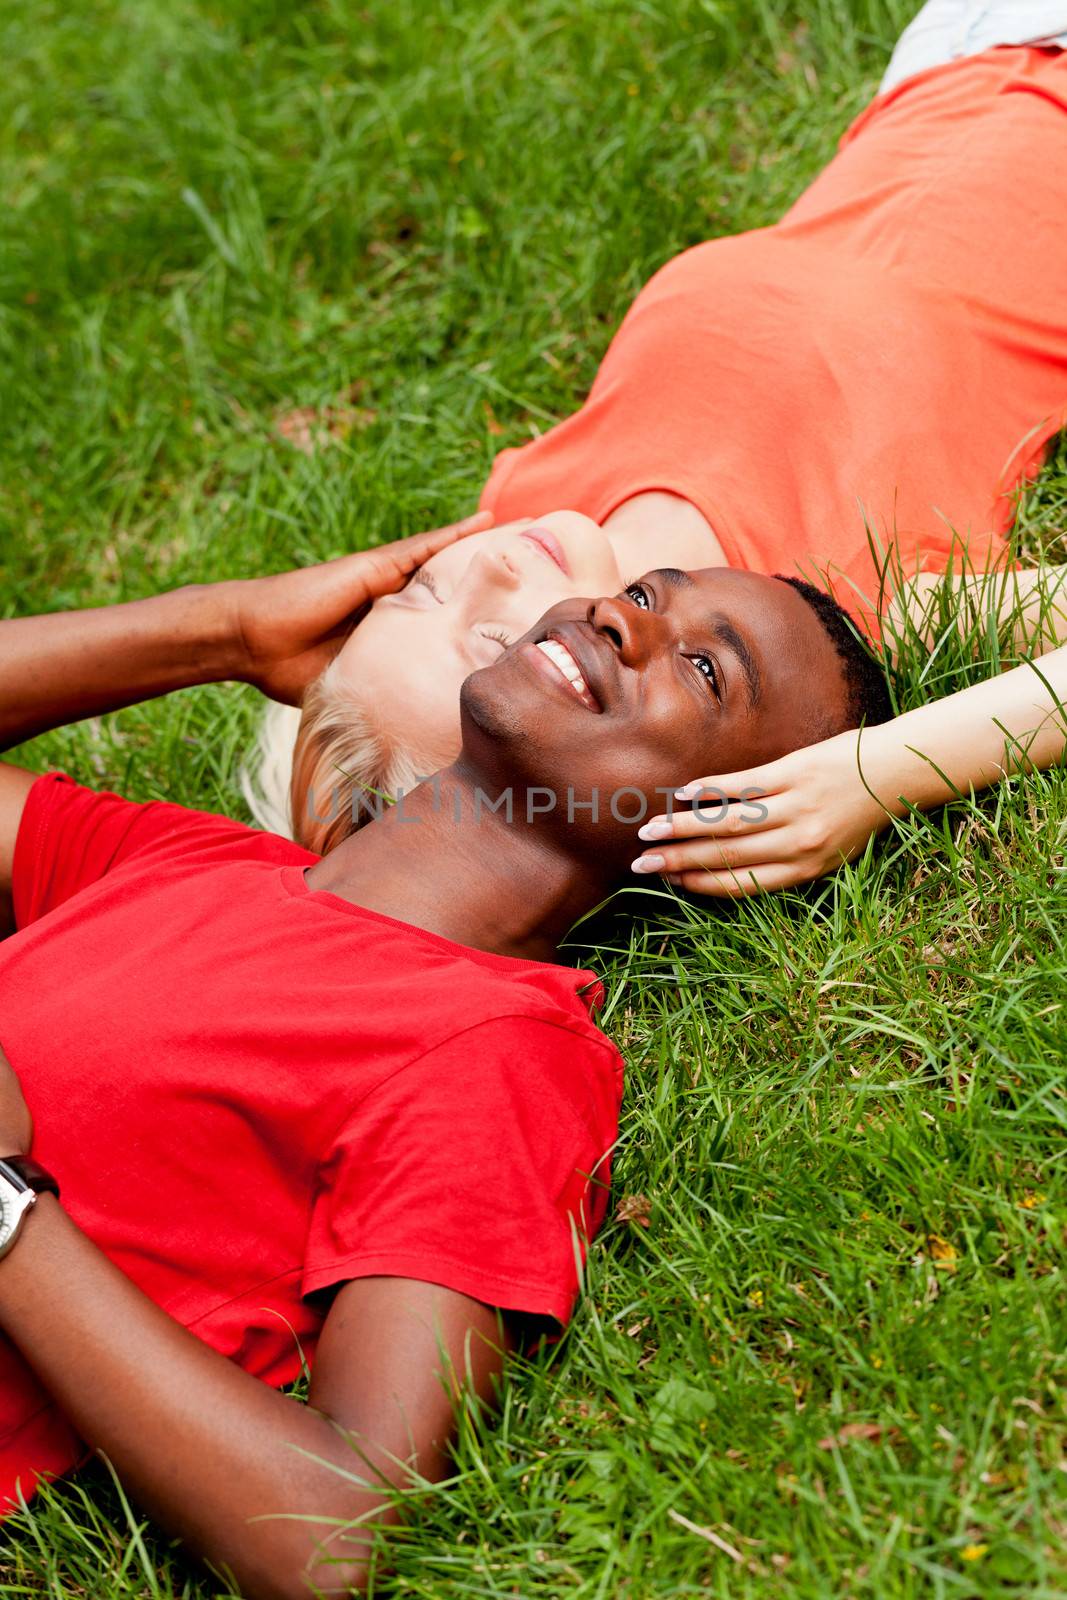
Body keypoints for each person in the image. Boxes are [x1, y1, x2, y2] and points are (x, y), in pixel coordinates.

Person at [0, 548, 887, 1597]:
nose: (621, 619)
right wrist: (228, 633)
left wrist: (9, 1210)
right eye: (646, 592)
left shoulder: (498, 1049)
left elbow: (340, 1531)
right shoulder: (204, 864)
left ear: (727, 815)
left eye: (704, 671)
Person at [242, 7, 1067, 889]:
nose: (483, 569)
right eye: (494, 643)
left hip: (955, 54)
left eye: (420, 592)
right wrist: (874, 774)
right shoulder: (837, 610)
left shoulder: (537, 501)